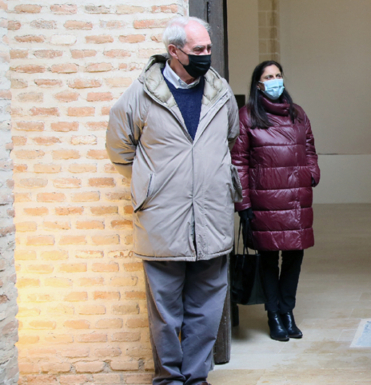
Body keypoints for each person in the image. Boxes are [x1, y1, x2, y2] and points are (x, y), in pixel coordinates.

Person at [106, 16, 240, 385]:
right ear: (174, 51)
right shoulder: (140, 94)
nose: (206, 55)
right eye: (199, 50)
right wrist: (152, 185)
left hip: (211, 218)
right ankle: (168, 379)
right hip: (162, 221)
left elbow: (228, 137)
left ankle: (196, 378)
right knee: (166, 312)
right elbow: (120, 150)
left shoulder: (220, 91)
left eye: (209, 49)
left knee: (207, 308)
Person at [231, 60, 320, 342]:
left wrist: (311, 174)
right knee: (269, 259)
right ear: (258, 84)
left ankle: (287, 311)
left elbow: (309, 148)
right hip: (264, 201)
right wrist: (243, 205)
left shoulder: (297, 114)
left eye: (278, 75)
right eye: (268, 76)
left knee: (294, 256)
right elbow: (239, 162)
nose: (274, 80)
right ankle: (274, 316)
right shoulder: (247, 116)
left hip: (295, 199)